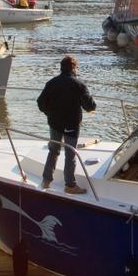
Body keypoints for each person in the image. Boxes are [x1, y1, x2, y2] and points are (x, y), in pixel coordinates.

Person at [36, 55, 97, 193]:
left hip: (55, 123)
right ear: (74, 68)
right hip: (71, 125)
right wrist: (91, 100)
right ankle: (70, 185)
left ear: (61, 68)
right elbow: (90, 106)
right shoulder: (79, 85)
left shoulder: (52, 83)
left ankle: (46, 181)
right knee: (70, 154)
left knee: (53, 151)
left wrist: (49, 113)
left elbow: (40, 103)